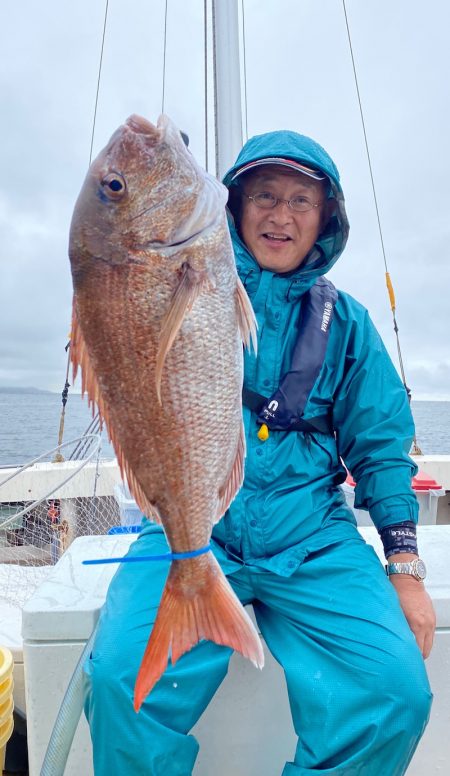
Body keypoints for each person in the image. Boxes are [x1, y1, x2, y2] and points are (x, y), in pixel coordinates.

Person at [83, 130, 435, 775]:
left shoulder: (348, 324)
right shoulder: (192, 282)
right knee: (117, 684)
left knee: (396, 693)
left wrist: (405, 566)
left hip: (314, 538)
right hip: (188, 529)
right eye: (264, 196)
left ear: (326, 219)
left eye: (302, 200)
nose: (281, 215)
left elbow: (382, 449)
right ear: (232, 207)